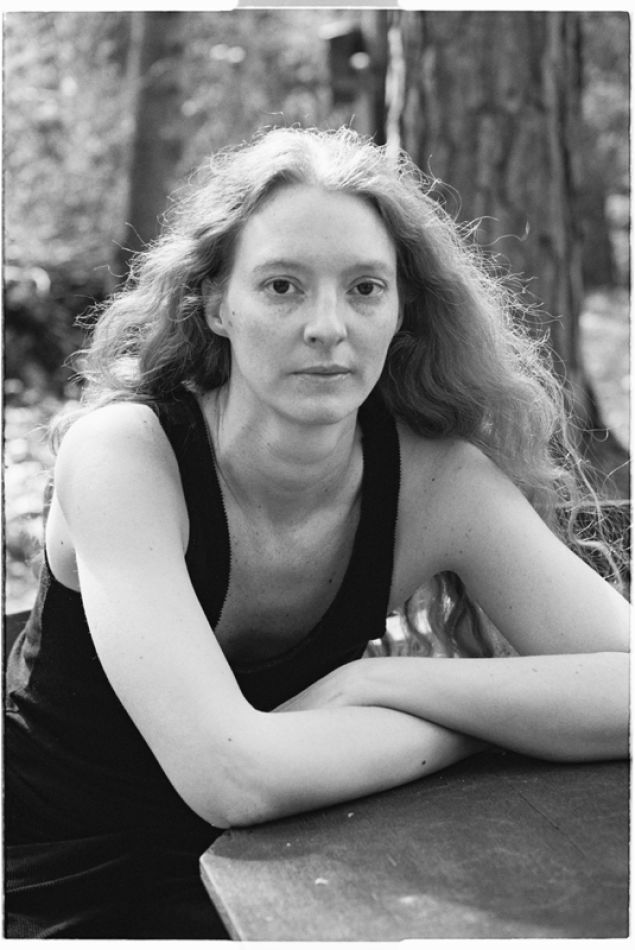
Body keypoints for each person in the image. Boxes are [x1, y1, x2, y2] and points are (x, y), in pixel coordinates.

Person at [5, 126, 629, 939]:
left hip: (305, 874)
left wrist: (385, 685)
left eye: (364, 288)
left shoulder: (436, 484)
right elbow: (231, 775)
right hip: (57, 894)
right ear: (215, 305)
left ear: (401, 311)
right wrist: (491, 725)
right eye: (282, 286)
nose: (327, 325)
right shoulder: (124, 456)